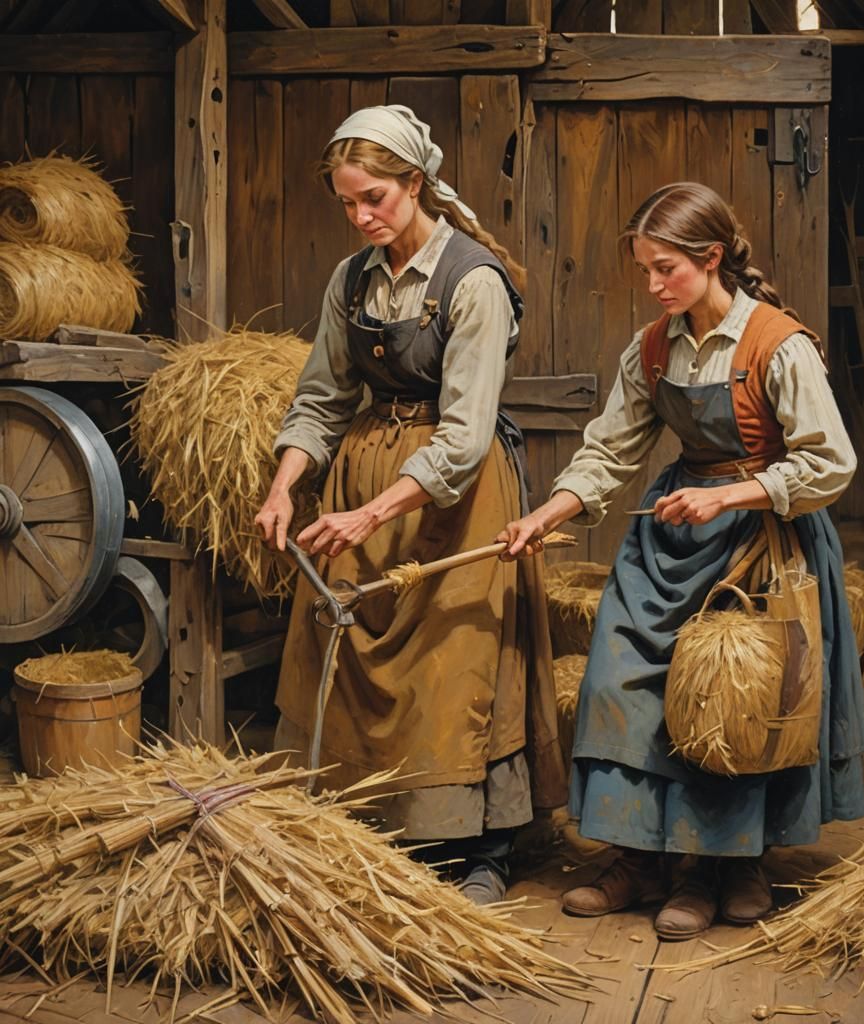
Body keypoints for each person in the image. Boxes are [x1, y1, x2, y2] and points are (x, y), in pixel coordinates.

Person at [499, 182, 864, 938]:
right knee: (619, 681)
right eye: (644, 270)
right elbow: (609, 450)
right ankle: (638, 858)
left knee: (730, 698)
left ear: (711, 257)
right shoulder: (654, 346)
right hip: (673, 536)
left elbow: (831, 464)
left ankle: (725, 866)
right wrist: (545, 513)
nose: (654, 285)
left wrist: (728, 497)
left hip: (760, 541)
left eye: (665, 268)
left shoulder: (777, 344)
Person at [256, 105, 565, 905]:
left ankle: (484, 846)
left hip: (452, 498)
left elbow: (463, 438)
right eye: (347, 203)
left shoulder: (474, 281)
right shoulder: (351, 279)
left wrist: (369, 516)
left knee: (455, 668)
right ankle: (364, 825)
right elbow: (322, 399)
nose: (361, 217)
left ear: (416, 183)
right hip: (363, 478)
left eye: (375, 199)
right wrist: (285, 486)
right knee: (345, 650)